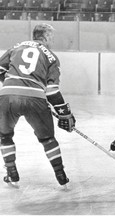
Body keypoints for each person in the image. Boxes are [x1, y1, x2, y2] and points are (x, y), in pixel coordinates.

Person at [0, 23, 76, 187]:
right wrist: (64, 113)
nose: (53, 40)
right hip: (35, 99)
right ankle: (61, 176)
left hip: (7, 97)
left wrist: (10, 84)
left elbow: (0, 70)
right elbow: (52, 92)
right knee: (48, 139)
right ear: (46, 36)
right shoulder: (51, 57)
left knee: (5, 136)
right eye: (52, 37)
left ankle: (12, 173)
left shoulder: (17, 47)